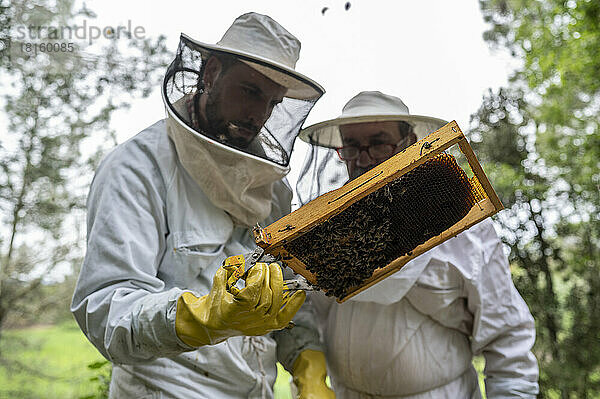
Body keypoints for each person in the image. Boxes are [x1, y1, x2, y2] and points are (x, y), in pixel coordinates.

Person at [71, 12, 335, 399]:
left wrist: (308, 366)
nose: (259, 114)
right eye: (249, 91)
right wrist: (202, 316)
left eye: (272, 102)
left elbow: (286, 292)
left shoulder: (272, 190)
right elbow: (107, 311)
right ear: (210, 73)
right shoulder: (137, 168)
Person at [296, 91, 540, 398]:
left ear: (409, 143)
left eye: (379, 143)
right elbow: (304, 308)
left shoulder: (465, 227)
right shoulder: (324, 230)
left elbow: (507, 336)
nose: (364, 158)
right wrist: (306, 364)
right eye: (352, 146)